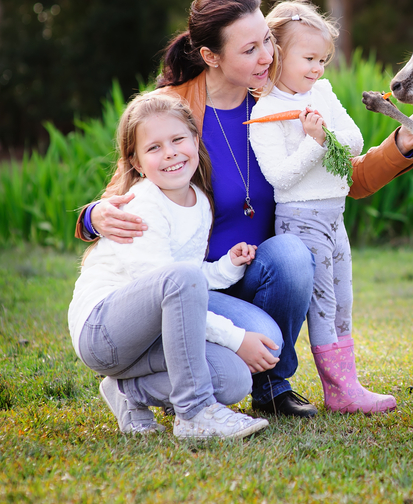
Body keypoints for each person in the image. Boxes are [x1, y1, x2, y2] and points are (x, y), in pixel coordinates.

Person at [76, 0, 413, 417]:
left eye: (267, 41)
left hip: (255, 270)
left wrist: (402, 139)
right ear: (212, 57)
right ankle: (156, 380)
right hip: (196, 283)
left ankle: (272, 387)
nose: (267, 57)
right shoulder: (174, 111)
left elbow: (347, 179)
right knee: (238, 363)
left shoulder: (279, 102)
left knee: (292, 254)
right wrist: (91, 217)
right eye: (250, 49)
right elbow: (123, 194)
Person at [69, 92, 271, 439]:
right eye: (154, 148)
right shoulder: (142, 205)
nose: (171, 153)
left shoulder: (198, 201)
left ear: (195, 139)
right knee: (187, 286)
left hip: (153, 339)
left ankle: (127, 392)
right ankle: (194, 413)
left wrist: (227, 267)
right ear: (135, 161)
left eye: (178, 139)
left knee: (233, 377)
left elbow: (187, 286)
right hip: (104, 331)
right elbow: (173, 282)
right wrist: (236, 337)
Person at [248, 0, 392, 413]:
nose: (318, 69)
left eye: (324, 60)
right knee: (323, 302)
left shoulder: (322, 93)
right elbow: (281, 177)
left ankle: (344, 387)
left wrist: (322, 134)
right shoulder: (267, 113)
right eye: (309, 58)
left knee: (343, 297)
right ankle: (341, 390)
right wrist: (314, 142)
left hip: (335, 214)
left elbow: (355, 140)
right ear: (276, 55)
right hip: (300, 219)